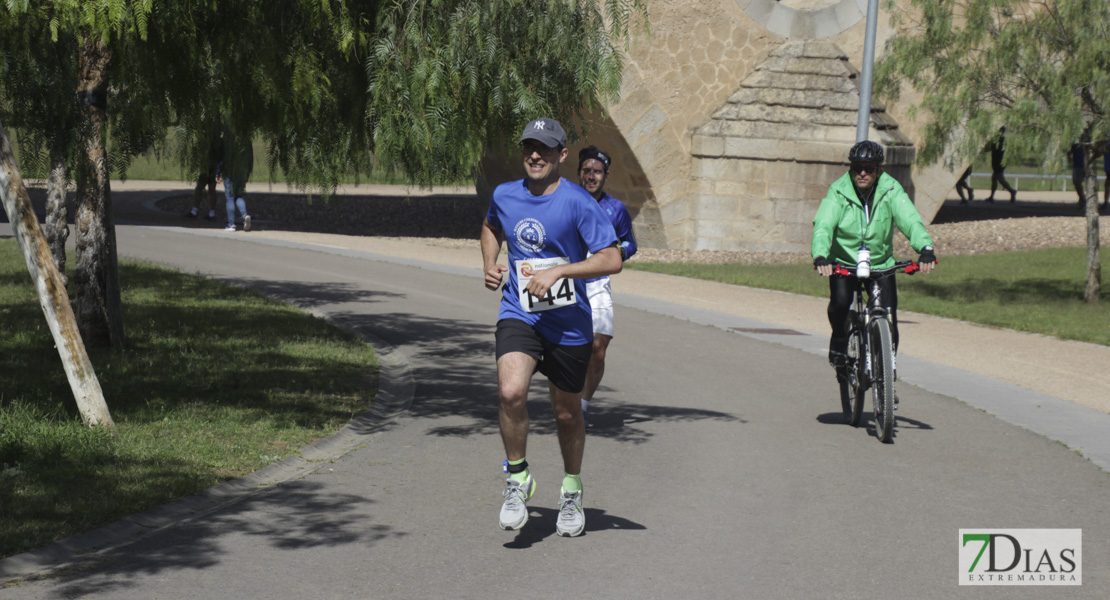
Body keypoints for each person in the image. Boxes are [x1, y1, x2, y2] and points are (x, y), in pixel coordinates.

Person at [481, 117, 622, 537]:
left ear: (562, 155)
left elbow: (611, 258)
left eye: (544, 148)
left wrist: (562, 271)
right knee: (510, 391)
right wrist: (490, 264)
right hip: (519, 312)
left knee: (565, 413)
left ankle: (572, 489)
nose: (535, 155)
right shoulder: (505, 194)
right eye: (528, 147)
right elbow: (491, 226)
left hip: (568, 324)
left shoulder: (580, 202)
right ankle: (517, 478)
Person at [811, 140, 937, 409]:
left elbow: (909, 219)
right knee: (841, 304)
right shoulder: (839, 191)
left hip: (880, 263)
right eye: (857, 168)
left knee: (888, 316)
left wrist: (925, 248)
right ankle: (839, 340)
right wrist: (821, 255)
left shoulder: (891, 189)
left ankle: (887, 376)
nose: (863, 173)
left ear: (878, 170)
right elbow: (823, 224)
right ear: (851, 169)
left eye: (869, 168)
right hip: (844, 261)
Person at [576, 146, 637, 426]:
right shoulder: (567, 200)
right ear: (579, 173)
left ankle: (582, 406)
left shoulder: (616, 209)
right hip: (566, 280)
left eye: (597, 172)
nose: (591, 176)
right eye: (587, 171)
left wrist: (617, 254)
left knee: (599, 348)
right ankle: (564, 397)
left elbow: (630, 242)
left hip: (597, 282)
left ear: (606, 175)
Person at [216, 129, 253, 232]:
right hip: (241, 172)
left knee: (230, 198)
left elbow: (221, 157)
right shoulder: (245, 138)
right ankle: (245, 216)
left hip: (229, 172)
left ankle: (231, 224)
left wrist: (218, 173)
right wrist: (248, 171)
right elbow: (250, 156)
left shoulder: (227, 139)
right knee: (239, 196)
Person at [986, 129, 1016, 203]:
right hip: (998, 162)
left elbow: (990, 148)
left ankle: (1012, 191)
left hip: (998, 162)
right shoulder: (1002, 140)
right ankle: (991, 197)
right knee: (994, 179)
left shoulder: (998, 140)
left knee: (1000, 179)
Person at [1069, 142, 1086, 211]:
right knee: (1076, 183)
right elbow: (1070, 152)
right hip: (1076, 166)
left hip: (1083, 166)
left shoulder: (1086, 143)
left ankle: (1082, 200)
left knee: (1078, 183)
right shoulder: (1074, 144)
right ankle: (1082, 198)